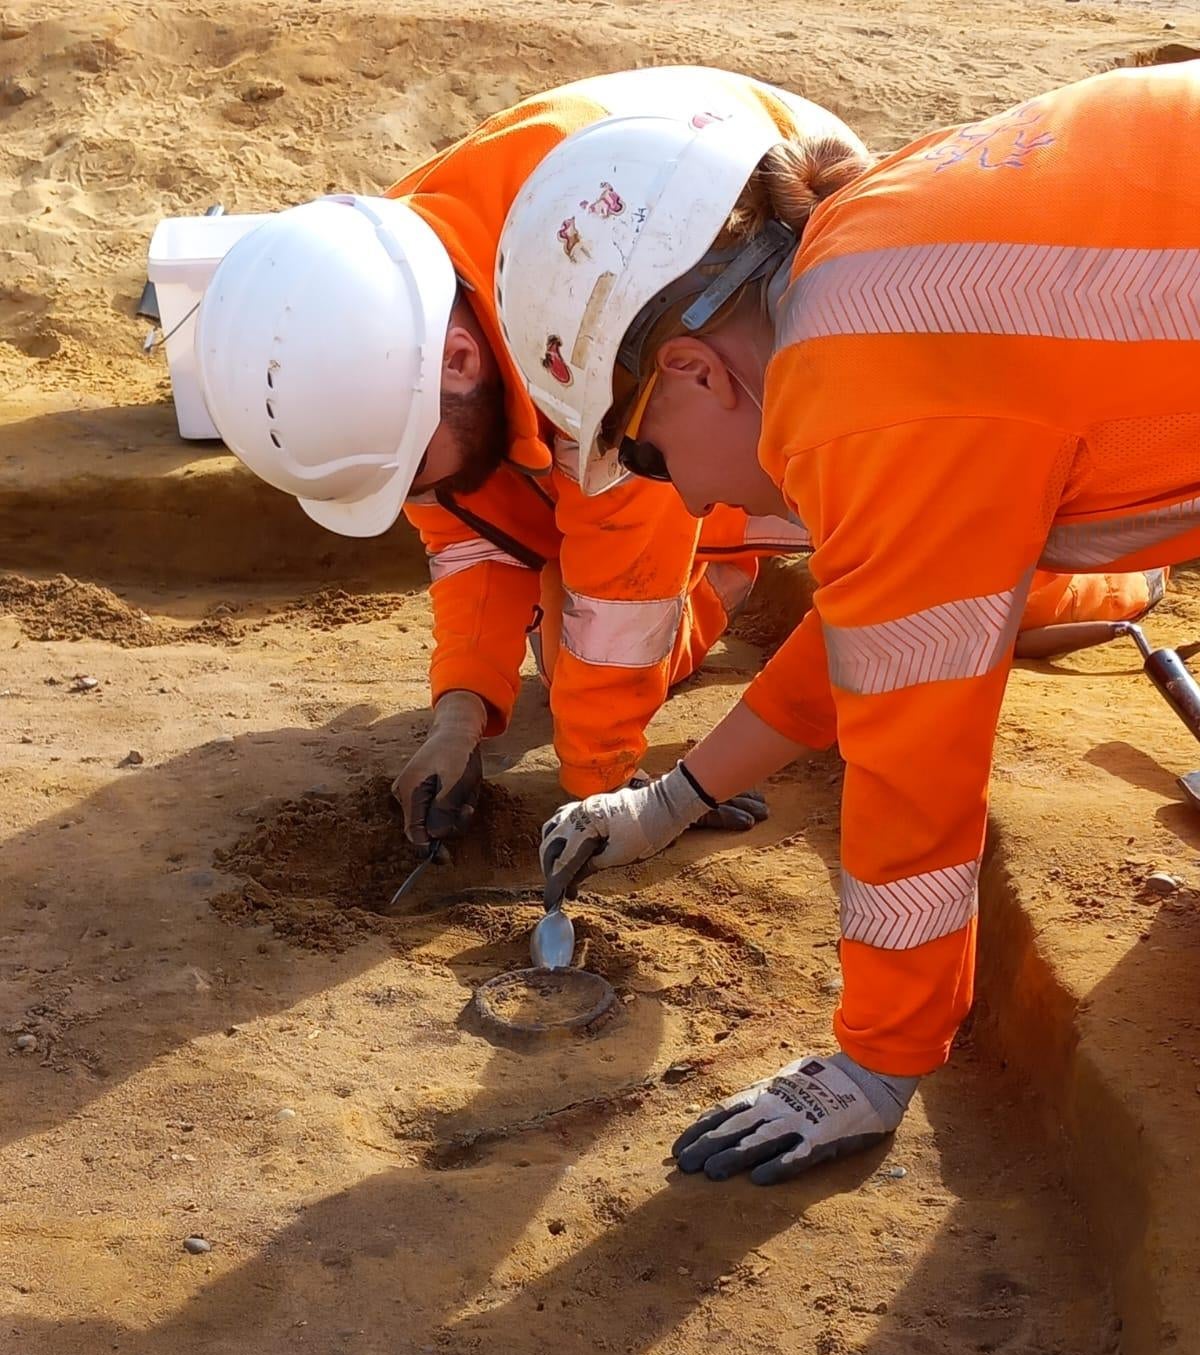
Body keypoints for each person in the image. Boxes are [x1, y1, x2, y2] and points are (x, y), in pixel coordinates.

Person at [494, 62, 1200, 1184]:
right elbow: (877, 627)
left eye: (650, 458)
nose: (686, 500)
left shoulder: (861, 384)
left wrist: (875, 1061)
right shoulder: (866, 264)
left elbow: (913, 754)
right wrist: (670, 802)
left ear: (693, 370)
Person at [194, 67, 870, 848]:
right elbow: (468, 527)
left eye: (413, 472)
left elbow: (626, 572)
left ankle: (727, 561)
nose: (420, 494)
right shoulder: (385, 308)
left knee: (646, 580)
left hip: (776, 281)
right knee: (562, 639)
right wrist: (459, 715)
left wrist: (608, 786)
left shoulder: (581, 320)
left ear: (458, 361)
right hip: (641, 297)